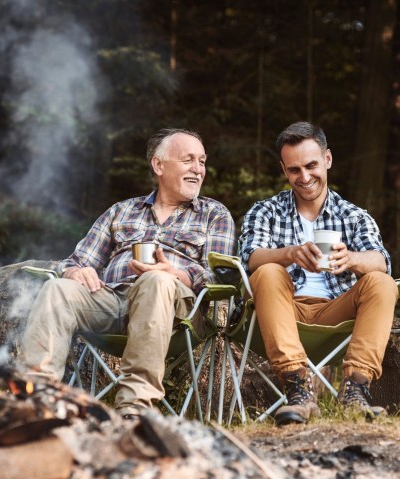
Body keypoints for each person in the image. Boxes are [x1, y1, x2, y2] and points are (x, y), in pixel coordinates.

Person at [18, 128, 237, 420]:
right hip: (114, 300)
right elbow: (76, 259)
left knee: (156, 279)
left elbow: (221, 277)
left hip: (178, 310)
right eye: (188, 160)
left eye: (202, 161)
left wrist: (176, 273)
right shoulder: (122, 211)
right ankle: (34, 401)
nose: (198, 169)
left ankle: (135, 405)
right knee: (58, 289)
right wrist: (75, 271)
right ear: (158, 165)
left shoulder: (213, 214)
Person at [239, 121, 398, 425]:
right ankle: (298, 389)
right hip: (283, 311)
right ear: (284, 170)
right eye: (294, 170)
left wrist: (351, 259)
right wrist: (290, 254)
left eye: (311, 165)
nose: (304, 177)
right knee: (267, 271)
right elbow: (249, 257)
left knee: (381, 282)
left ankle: (356, 389)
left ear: (327, 159)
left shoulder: (352, 215)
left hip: (335, 311)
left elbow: (382, 260)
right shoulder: (266, 211)